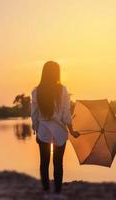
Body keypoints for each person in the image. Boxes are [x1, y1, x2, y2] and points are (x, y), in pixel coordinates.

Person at [31, 61, 79, 198]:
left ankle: (46, 192)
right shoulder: (62, 90)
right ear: (57, 73)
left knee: (44, 163)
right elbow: (66, 114)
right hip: (60, 132)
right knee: (58, 163)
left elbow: (34, 114)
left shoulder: (36, 91)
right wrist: (72, 130)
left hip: (43, 131)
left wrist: (35, 129)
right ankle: (57, 193)